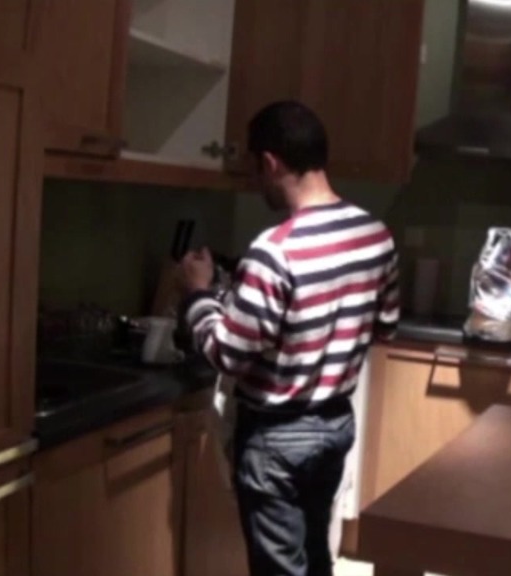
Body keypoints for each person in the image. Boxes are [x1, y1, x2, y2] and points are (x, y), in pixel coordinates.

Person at [178, 100, 400, 576]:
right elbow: (384, 327)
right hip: (334, 425)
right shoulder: (376, 236)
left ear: (271, 162)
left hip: (277, 437)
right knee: (315, 557)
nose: (254, 181)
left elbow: (226, 354)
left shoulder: (274, 251)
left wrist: (199, 294)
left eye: (254, 169)